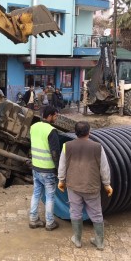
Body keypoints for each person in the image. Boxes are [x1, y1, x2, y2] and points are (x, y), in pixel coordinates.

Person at [57, 121, 113, 250]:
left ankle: (77, 240)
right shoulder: (98, 147)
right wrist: (107, 184)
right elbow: (104, 168)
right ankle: (99, 242)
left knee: (75, 212)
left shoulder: (67, 146)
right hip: (91, 186)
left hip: (73, 186)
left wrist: (61, 181)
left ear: (75, 133)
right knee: (97, 214)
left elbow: (62, 165)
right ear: (89, 132)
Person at [29, 106, 61, 231]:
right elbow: (55, 153)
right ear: (50, 116)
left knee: (36, 193)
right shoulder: (51, 131)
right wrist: (58, 170)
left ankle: (33, 220)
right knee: (50, 196)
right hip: (48, 169)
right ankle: (50, 222)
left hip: (36, 167)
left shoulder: (33, 127)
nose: (56, 118)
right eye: (55, 116)